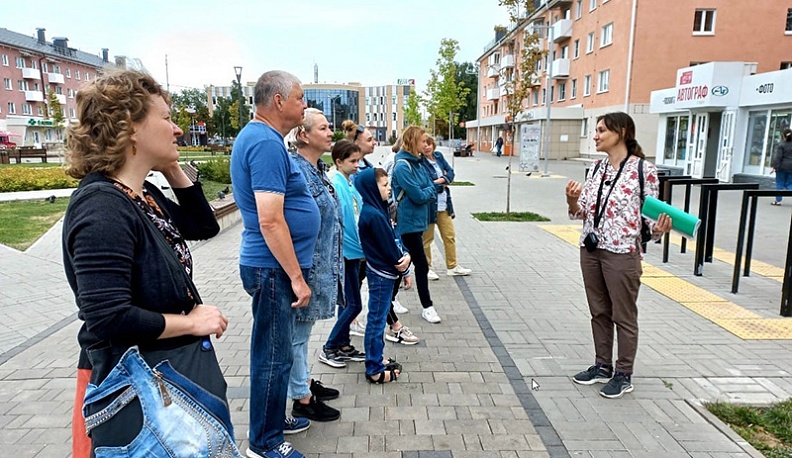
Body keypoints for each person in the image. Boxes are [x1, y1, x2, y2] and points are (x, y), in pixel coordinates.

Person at [62, 69, 228, 456]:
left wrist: (171, 165)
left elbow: (203, 225)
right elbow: (108, 317)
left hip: (159, 380)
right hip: (129, 387)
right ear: (128, 126)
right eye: (167, 119)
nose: (178, 130)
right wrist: (191, 322)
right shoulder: (102, 207)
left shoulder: (141, 193)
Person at [231, 70, 318, 458]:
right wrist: (296, 277)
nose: (304, 105)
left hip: (272, 266)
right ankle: (264, 443)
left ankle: (272, 417)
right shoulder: (264, 142)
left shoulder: (266, 139)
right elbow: (270, 218)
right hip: (272, 268)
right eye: (300, 98)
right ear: (279, 101)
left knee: (276, 351)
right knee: (273, 354)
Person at [564, 112, 671, 399]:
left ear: (621, 132)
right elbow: (581, 212)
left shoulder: (643, 171)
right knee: (599, 310)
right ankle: (602, 366)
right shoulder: (596, 168)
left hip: (622, 253)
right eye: (595, 130)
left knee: (623, 314)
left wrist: (660, 229)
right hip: (591, 249)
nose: (596, 135)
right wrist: (572, 199)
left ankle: (624, 374)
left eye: (601, 130)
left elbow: (651, 222)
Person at [285, 108, 342, 422]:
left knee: (302, 334)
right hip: (305, 267)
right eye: (323, 127)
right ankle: (301, 397)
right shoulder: (296, 171)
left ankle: (304, 380)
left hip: (318, 265)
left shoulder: (317, 169)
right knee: (296, 335)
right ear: (303, 134)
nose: (330, 132)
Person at [354, 167, 411, 383]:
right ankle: (374, 369)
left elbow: (395, 239)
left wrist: (405, 255)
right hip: (381, 275)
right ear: (371, 188)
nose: (389, 189)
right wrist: (405, 265)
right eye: (385, 185)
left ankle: (376, 357)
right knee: (377, 321)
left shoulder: (378, 210)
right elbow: (390, 249)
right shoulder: (374, 215)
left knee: (377, 319)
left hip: (384, 273)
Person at [319, 139, 367, 368]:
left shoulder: (347, 181)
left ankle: (343, 344)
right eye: (353, 161)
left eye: (358, 160)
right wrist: (362, 248)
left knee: (347, 301)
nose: (358, 165)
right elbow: (343, 223)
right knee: (354, 305)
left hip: (353, 252)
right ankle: (329, 347)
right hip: (346, 253)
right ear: (339, 162)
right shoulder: (336, 184)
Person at [391, 125, 442, 324]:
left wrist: (428, 188)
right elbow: (420, 195)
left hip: (418, 221)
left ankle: (391, 299)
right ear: (413, 142)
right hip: (408, 222)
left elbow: (428, 184)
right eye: (422, 141)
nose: (426, 144)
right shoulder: (403, 166)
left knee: (404, 262)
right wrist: (430, 189)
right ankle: (427, 306)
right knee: (420, 263)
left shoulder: (418, 163)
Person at [421, 135, 472, 280]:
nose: (427, 147)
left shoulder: (438, 156)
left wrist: (443, 179)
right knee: (427, 239)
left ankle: (452, 266)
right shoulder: (420, 162)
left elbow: (451, 173)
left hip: (444, 204)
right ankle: (427, 268)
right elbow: (426, 183)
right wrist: (440, 181)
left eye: (429, 143)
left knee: (449, 236)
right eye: (424, 144)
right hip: (429, 205)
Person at [771, 128, 792, 206]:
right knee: (789, 184)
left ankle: (778, 201)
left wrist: (774, 166)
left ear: (783, 136)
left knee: (779, 183)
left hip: (782, 167)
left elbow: (778, 157)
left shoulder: (781, 145)